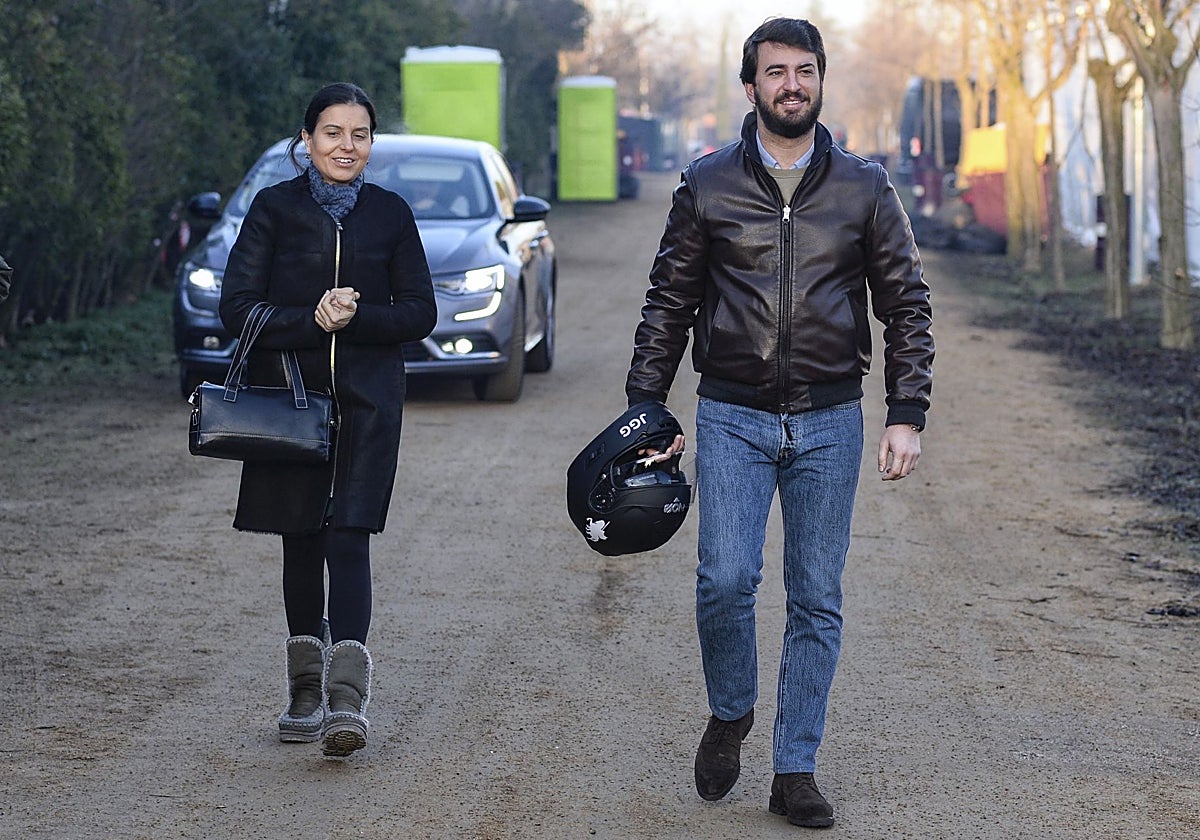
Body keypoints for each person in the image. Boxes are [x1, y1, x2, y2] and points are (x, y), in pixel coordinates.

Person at [624, 18, 933, 828]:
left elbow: (905, 302)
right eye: (775, 72)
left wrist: (907, 411)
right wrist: (647, 407)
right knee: (724, 581)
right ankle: (732, 711)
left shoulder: (865, 186)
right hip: (731, 414)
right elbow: (669, 300)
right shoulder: (708, 183)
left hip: (831, 420)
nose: (791, 84)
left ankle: (796, 767)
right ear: (750, 85)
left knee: (815, 599)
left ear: (820, 80)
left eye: (804, 71)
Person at [219, 82, 437, 757]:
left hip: (370, 404)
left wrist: (360, 318)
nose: (347, 146)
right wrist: (309, 321)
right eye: (334, 133)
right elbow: (237, 306)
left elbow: (420, 312)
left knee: (349, 539)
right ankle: (304, 692)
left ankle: (347, 700)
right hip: (291, 402)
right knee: (301, 541)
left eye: (360, 135)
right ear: (307, 140)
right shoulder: (274, 210)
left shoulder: (391, 215)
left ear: (372, 143)